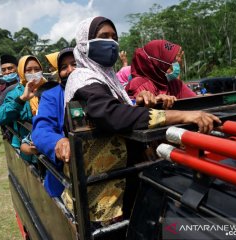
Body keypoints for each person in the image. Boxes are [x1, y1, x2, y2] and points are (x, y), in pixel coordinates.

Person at [64, 16, 221, 223]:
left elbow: (121, 108)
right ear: (84, 44)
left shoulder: (105, 76)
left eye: (114, 37)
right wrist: (182, 115)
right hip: (102, 189)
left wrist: (141, 103)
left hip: (122, 176)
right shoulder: (84, 80)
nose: (111, 42)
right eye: (103, 37)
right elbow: (113, 115)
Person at [32, 47, 76, 198]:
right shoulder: (52, 95)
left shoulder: (99, 88)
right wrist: (58, 141)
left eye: (75, 64)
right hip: (66, 175)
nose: (70, 70)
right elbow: (41, 130)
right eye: (64, 67)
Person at [0, 55, 47, 163]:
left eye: (37, 69)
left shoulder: (50, 87)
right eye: (28, 70)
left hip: (49, 144)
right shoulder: (15, 93)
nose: (33, 73)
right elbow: (0, 117)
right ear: (21, 72)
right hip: (27, 149)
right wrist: (22, 99)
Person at [125, 40, 197, 100]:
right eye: (170, 63)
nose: (175, 67)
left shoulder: (174, 83)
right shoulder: (139, 84)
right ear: (156, 66)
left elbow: (195, 102)